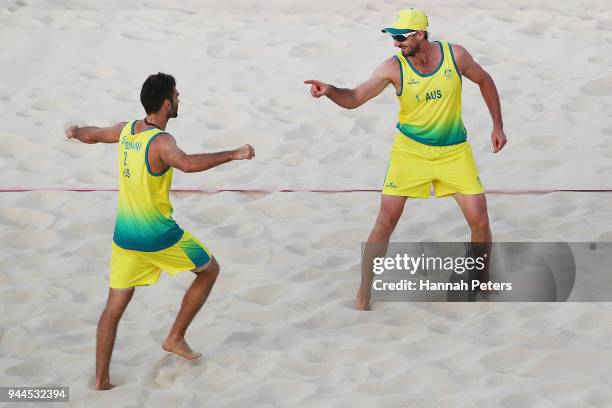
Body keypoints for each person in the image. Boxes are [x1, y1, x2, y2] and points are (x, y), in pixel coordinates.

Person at [304, 9, 507, 310]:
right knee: (386, 221)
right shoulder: (392, 68)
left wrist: (497, 125)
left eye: (401, 37)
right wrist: (331, 90)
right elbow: (355, 97)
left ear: (421, 34)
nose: (396, 43)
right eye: (393, 37)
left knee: (480, 218)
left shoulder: (456, 56)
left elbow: (486, 81)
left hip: (454, 151)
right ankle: (364, 293)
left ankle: (481, 279)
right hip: (410, 152)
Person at [65, 72, 255, 390]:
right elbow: (187, 164)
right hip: (158, 236)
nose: (179, 99)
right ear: (166, 103)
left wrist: (74, 131)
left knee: (113, 308)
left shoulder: (126, 130)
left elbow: (92, 135)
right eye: (177, 96)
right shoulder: (162, 141)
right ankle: (175, 337)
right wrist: (234, 154)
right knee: (209, 270)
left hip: (124, 238)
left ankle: (101, 380)